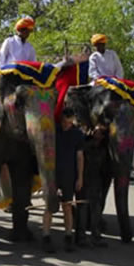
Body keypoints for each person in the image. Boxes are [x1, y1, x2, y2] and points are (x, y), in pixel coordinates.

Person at [42, 108, 84, 253]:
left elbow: (79, 157)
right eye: (65, 122)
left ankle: (68, 236)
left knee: (67, 206)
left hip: (69, 175)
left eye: (69, 122)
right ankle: (46, 236)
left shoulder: (77, 134)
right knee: (50, 206)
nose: (66, 125)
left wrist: (80, 177)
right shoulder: (53, 130)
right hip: (52, 175)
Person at [75, 123, 109, 248]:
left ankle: (96, 235)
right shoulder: (85, 146)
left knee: (96, 210)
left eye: (100, 133)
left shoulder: (104, 149)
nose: (97, 134)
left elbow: (104, 168)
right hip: (84, 180)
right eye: (95, 131)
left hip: (96, 182)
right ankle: (81, 237)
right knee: (82, 209)